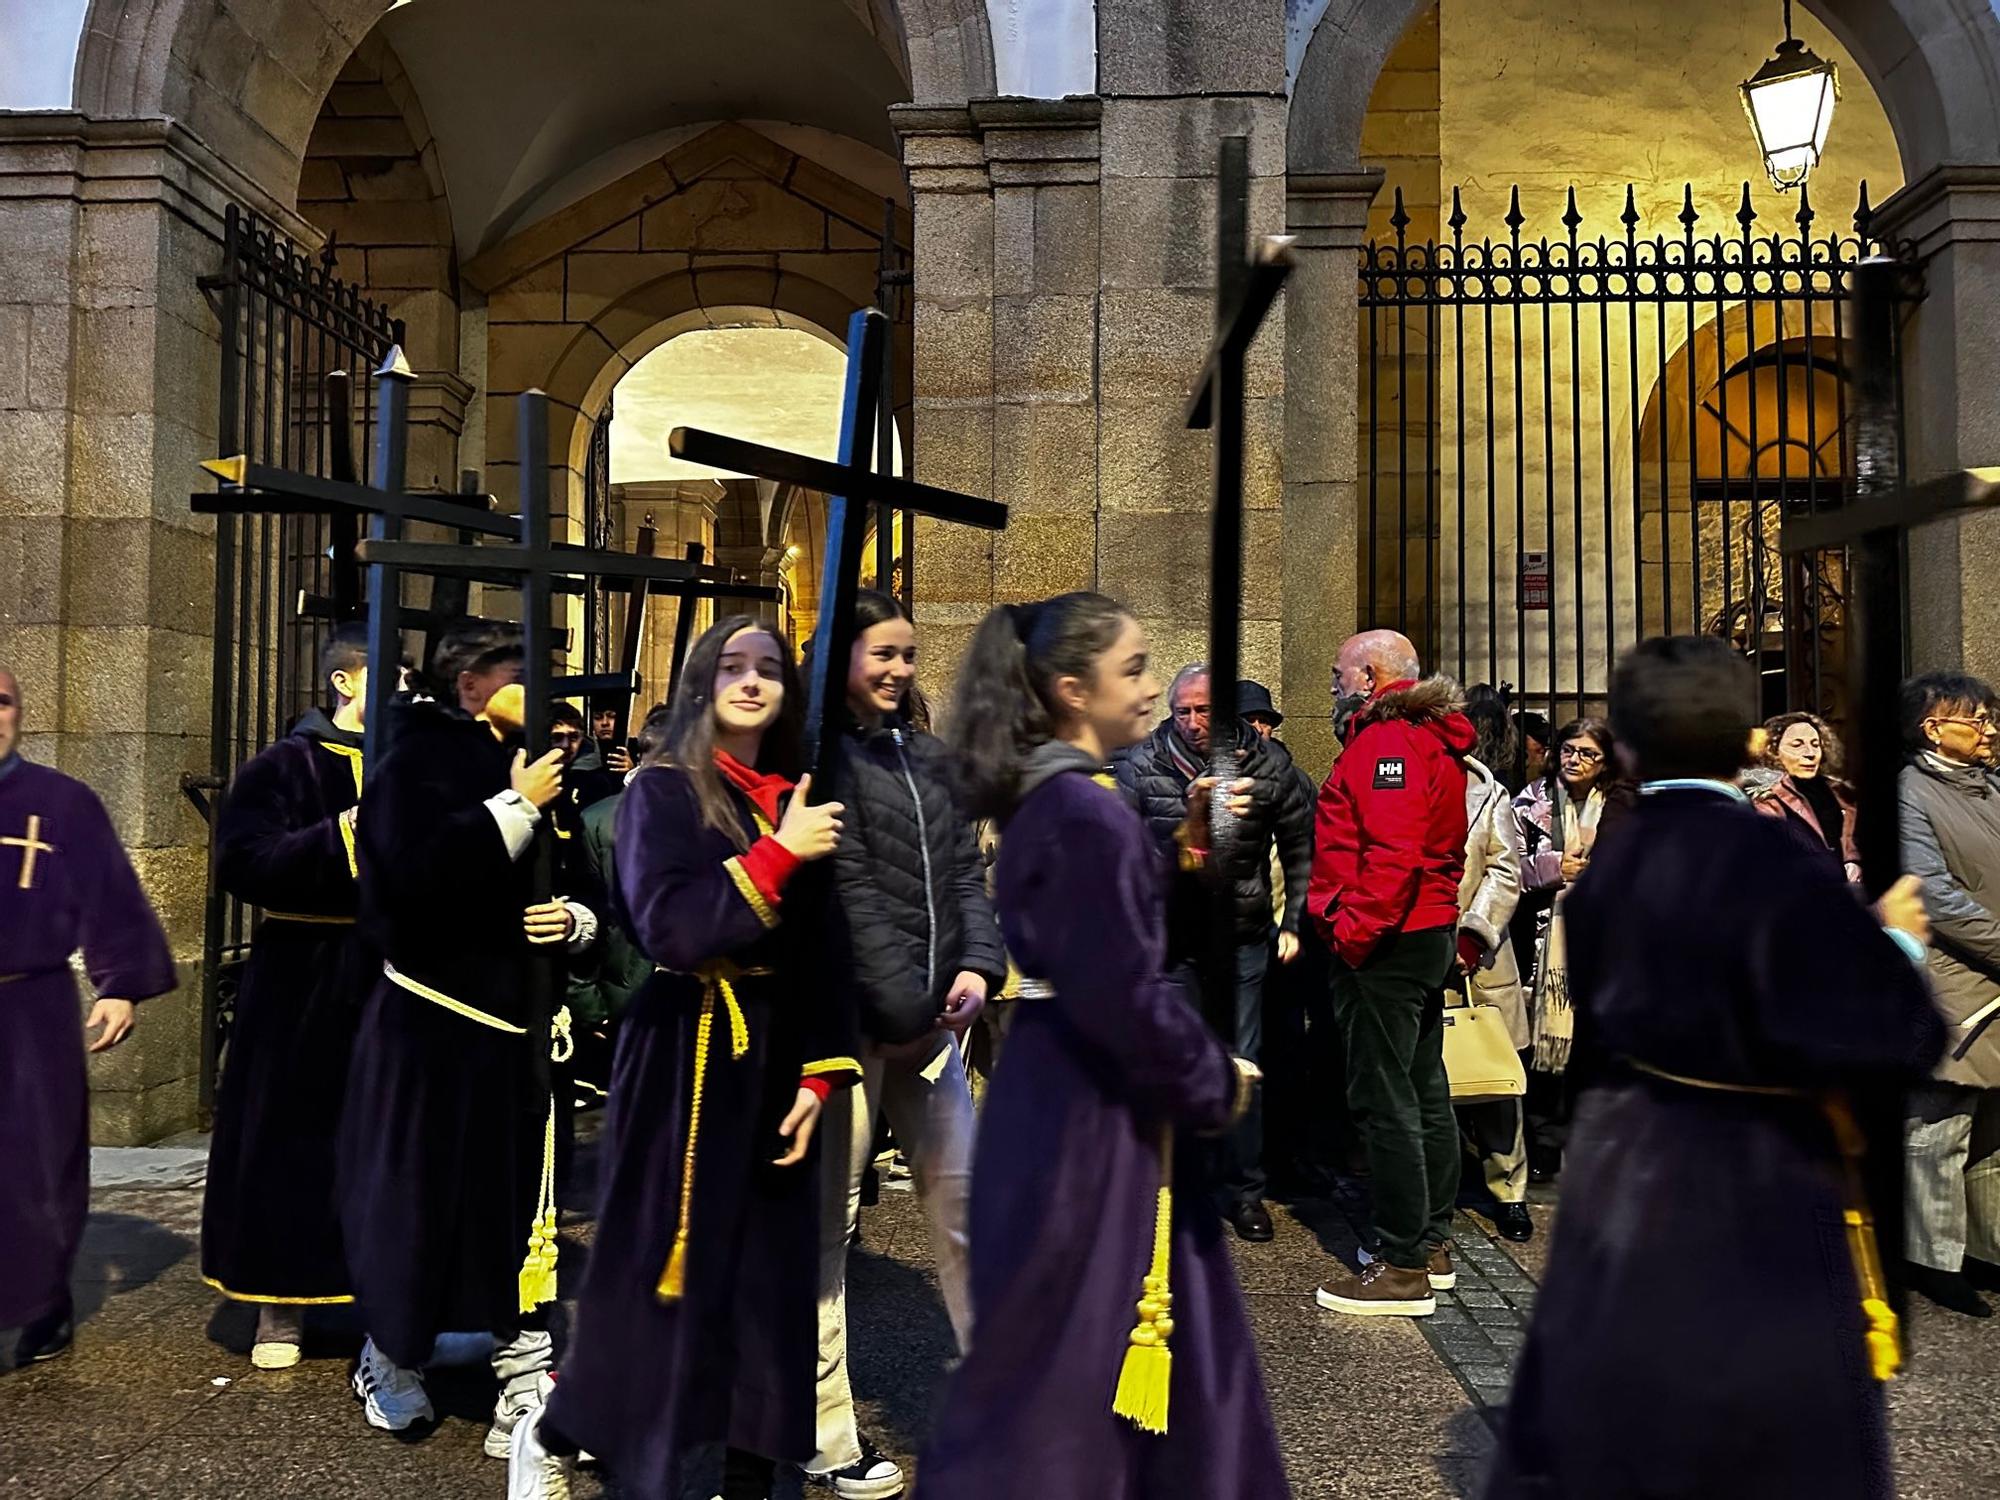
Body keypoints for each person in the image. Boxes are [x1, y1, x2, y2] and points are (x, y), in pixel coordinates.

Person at [1485, 636, 1942, 1500]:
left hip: (1627, 1151)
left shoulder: (1619, 851)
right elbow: (1889, 1034)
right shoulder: (1768, 857)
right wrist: (1895, 943)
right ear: (1751, 744)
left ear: (1624, 743)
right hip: (1748, 1164)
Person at [917, 592, 1283, 1500]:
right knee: (1077, 1356)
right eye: (1135, 670)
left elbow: (1112, 930)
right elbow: (1117, 984)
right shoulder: (1080, 810)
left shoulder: (1075, 799)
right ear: (1073, 691)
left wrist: (1187, 852)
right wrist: (1209, 1077)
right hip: (1091, 1107)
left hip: (1066, 1081)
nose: (1155, 688)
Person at [511, 616, 861, 1500]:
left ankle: (747, 1467)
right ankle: (566, 1431)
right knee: (663, 1273)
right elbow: (669, 924)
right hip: (687, 1055)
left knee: (766, 1278)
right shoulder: (665, 791)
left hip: (777, 1051)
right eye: (733, 667)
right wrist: (780, 855)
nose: (752, 682)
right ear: (703, 683)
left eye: (769, 669)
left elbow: (824, 946)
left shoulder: (795, 789)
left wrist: (821, 1075)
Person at [338, 619, 592, 1455]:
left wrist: (577, 920)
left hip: (518, 1032)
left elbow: (586, 879)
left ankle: (521, 1366)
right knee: (415, 1205)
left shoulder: (551, 766)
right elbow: (407, 880)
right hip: (428, 1027)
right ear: (471, 686)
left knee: (515, 1210)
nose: (546, 692)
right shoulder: (417, 763)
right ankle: (393, 1353)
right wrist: (517, 808)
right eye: (523, 674)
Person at [809, 591, 1005, 1500]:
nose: (896, 670)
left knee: (965, 1211)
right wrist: (903, 1008)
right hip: (846, 1031)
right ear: (839, 655)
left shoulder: (926, 755)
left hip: (931, 1024)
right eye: (880, 653)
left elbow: (965, 870)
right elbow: (847, 896)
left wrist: (977, 963)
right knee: (827, 1232)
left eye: (908, 655)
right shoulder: (814, 758)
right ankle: (826, 1429)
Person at [200, 624, 378, 1368]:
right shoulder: (282, 767)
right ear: (345, 683)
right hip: (303, 974)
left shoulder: (413, 765)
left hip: (388, 969)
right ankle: (282, 1305)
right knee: (293, 1141)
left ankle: (384, 1300)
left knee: (381, 1139)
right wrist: (342, 834)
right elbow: (245, 858)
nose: (405, 692)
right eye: (390, 676)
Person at [0, 665, 175, 1366]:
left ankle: (42, 1304)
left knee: (37, 1161)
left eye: (2, 701)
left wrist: (119, 984)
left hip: (29, 1007)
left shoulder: (63, 802)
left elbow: (109, 895)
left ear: (19, 713)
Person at [1113, 663, 1314, 1242]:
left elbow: (1301, 845)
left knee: (1241, 1060)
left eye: (1206, 712)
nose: (1195, 723)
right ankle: (1174, 1184)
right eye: (1184, 712)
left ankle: (1245, 1190)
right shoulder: (1143, 763)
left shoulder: (1266, 761)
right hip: (1171, 939)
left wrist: (1292, 921)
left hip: (1241, 935)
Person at [1308, 630, 1474, 1317]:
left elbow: (1393, 854)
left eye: (1341, 673)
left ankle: (1403, 1260)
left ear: (1371, 676)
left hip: (1386, 941)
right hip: (1420, 932)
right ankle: (1429, 1244)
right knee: (1422, 1087)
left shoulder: (1387, 742)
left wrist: (1352, 934)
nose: (1334, 686)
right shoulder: (1425, 738)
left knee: (1387, 1098)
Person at [1898, 672, 2000, 1317]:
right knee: (1942, 1122)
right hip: (1954, 976)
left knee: (1994, 1122)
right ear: (1934, 727)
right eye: (1978, 719)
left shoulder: (1991, 785)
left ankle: (1986, 1248)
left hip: (1995, 969)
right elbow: (1933, 893)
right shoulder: (1909, 790)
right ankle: (1931, 1256)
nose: (1989, 728)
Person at [1510, 716, 1633, 1180]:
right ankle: (1543, 1146)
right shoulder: (1529, 802)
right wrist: (1552, 867)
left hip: (1602, 940)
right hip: (1542, 941)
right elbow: (1507, 865)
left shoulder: (1621, 806)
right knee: (1545, 1049)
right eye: (1568, 750)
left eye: (1587, 754)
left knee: (1593, 1049)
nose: (1575, 761)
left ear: (1605, 763)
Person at [1239, 680, 1340, 1200]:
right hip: (1241, 945)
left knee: (1284, 1053)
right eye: (1252, 720)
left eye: (1267, 721)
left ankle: (1284, 1159)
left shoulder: (1296, 780)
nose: (1263, 728)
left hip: (1289, 940)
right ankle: (1248, 1170)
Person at [564, 704, 674, 1109]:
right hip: (626, 998)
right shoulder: (597, 820)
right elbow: (582, 914)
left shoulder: (711, 815)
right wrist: (589, 1007)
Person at [1454, 722, 1533, 1244]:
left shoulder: (1486, 791)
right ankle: (1442, 1183)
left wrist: (1473, 934)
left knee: (1494, 1078)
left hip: (1479, 956)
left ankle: (1509, 1190)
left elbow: (1506, 870)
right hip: (1415, 949)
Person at [1751, 711, 1862, 882]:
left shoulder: (1842, 793)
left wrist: (1853, 861)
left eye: (1815, 744)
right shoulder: (1768, 802)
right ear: (1773, 751)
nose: (1810, 753)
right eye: (1797, 745)